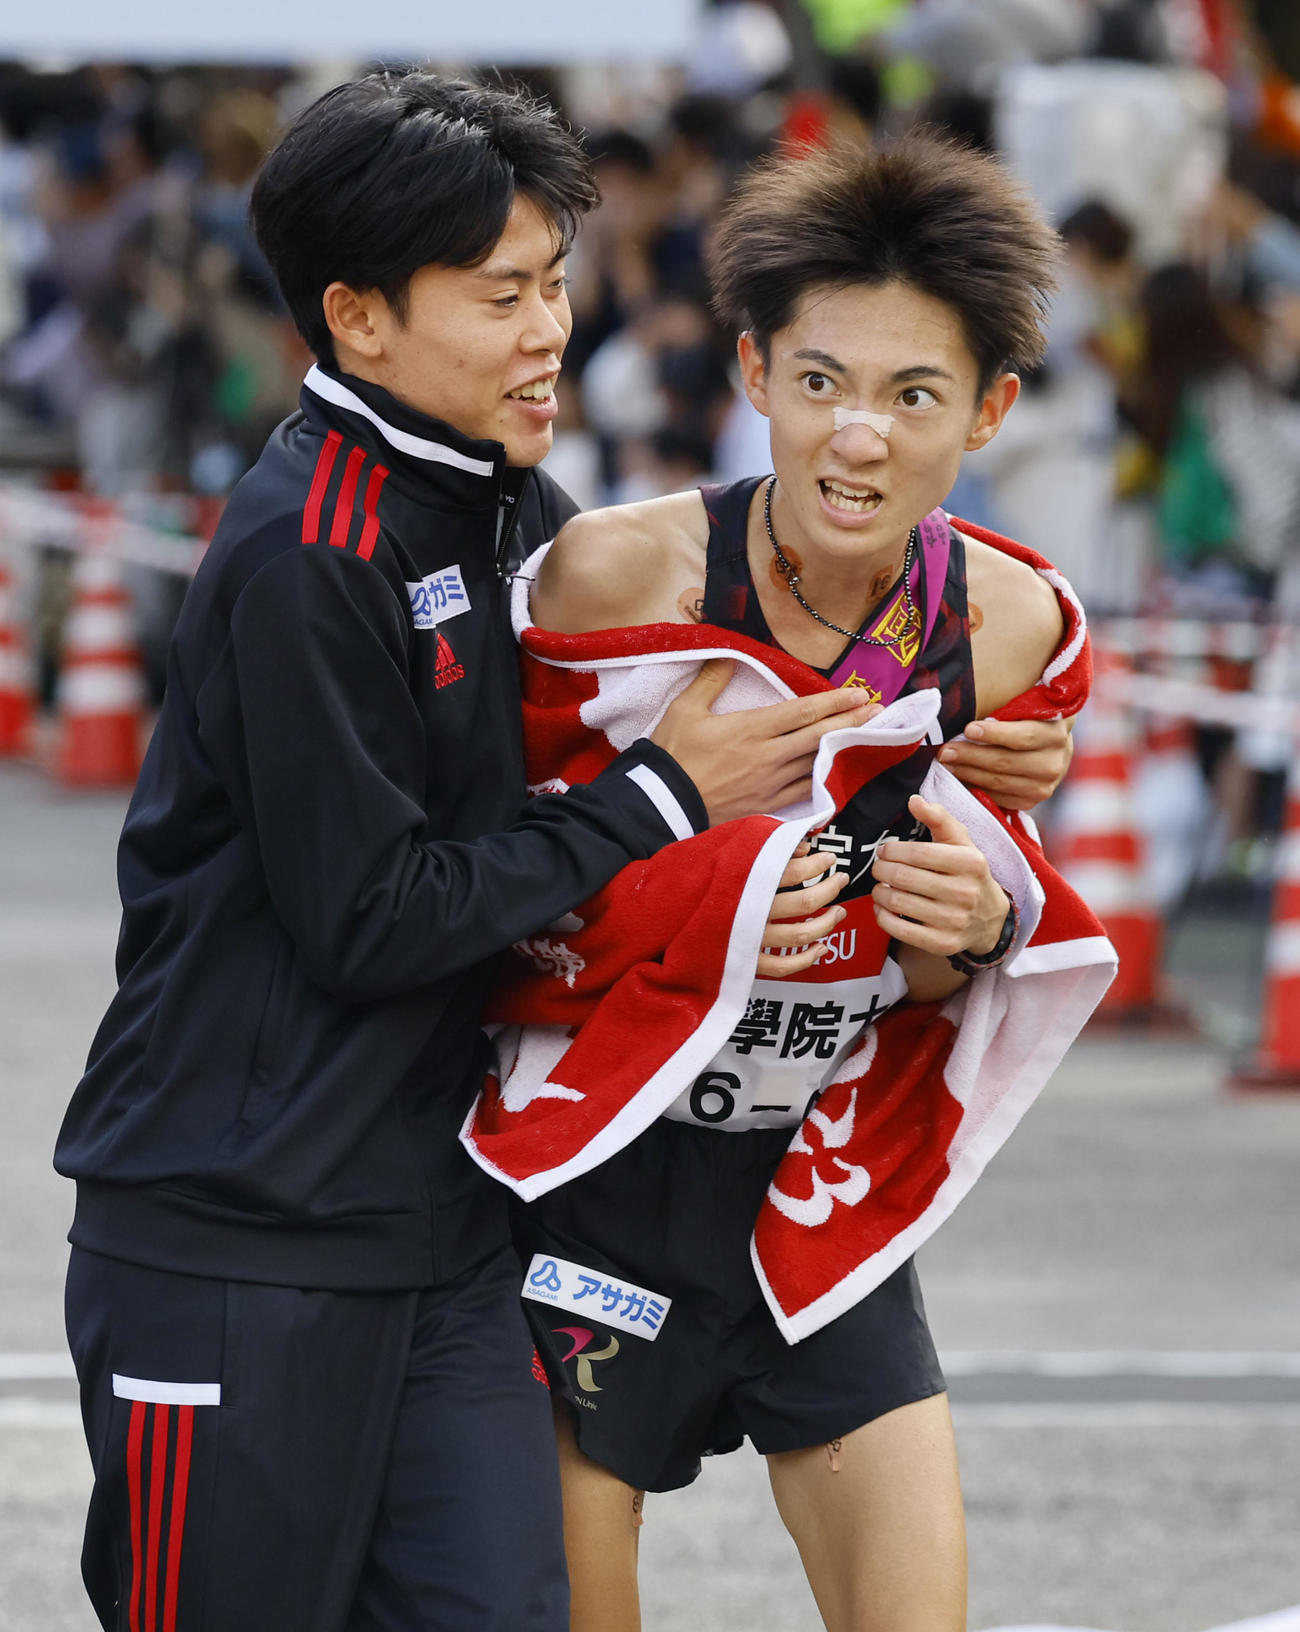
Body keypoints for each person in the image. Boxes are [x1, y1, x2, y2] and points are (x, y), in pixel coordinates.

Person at [52, 72, 905, 1632]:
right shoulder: (309, 550)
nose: (547, 330)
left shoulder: (513, 508)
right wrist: (660, 802)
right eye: (501, 293)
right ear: (357, 318)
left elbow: (714, 677)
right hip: (239, 1238)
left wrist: (964, 727)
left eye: (557, 283)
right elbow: (370, 918)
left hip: (442, 1237)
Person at [504, 133, 1090, 1632]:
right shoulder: (610, 581)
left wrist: (973, 932)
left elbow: (979, 904)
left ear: (992, 410)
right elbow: (483, 893)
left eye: (916, 397)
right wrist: (698, 895)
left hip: (819, 1176)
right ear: (755, 372)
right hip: (588, 1184)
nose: (859, 440)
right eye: (823, 384)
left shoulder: (1010, 626)